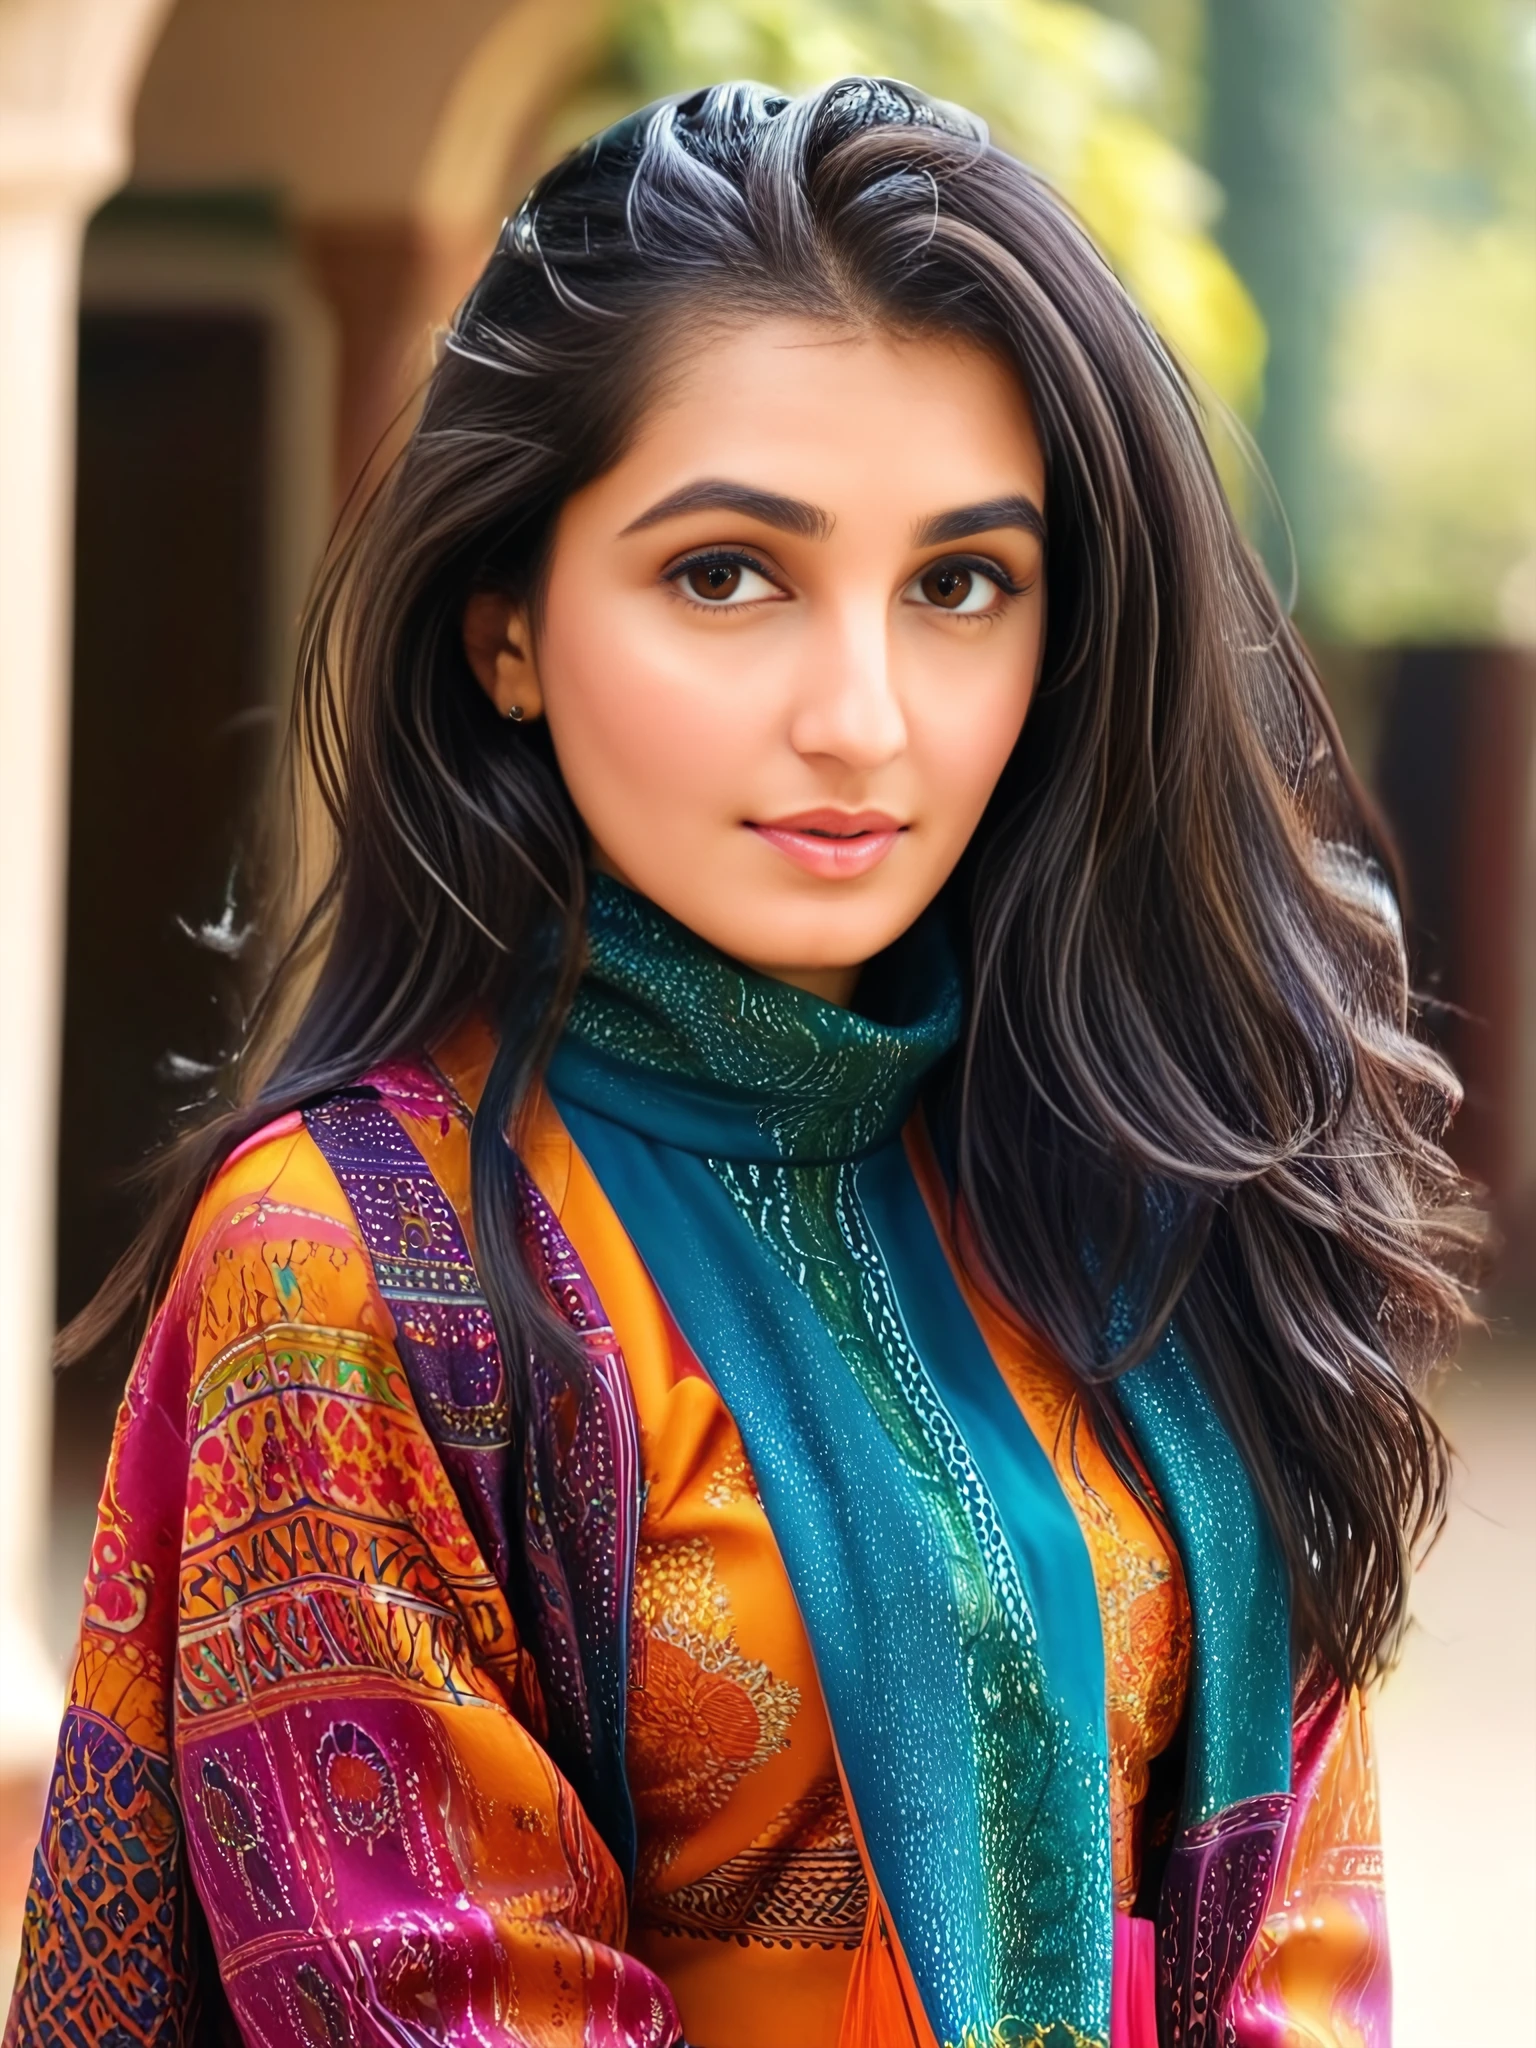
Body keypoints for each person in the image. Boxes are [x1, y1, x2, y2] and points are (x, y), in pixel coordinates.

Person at [7, 79, 1477, 2048]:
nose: (862, 718)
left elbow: (1308, 1919)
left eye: (962, 585)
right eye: (728, 574)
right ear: (506, 624)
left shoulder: (1136, 1162)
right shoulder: (358, 1273)